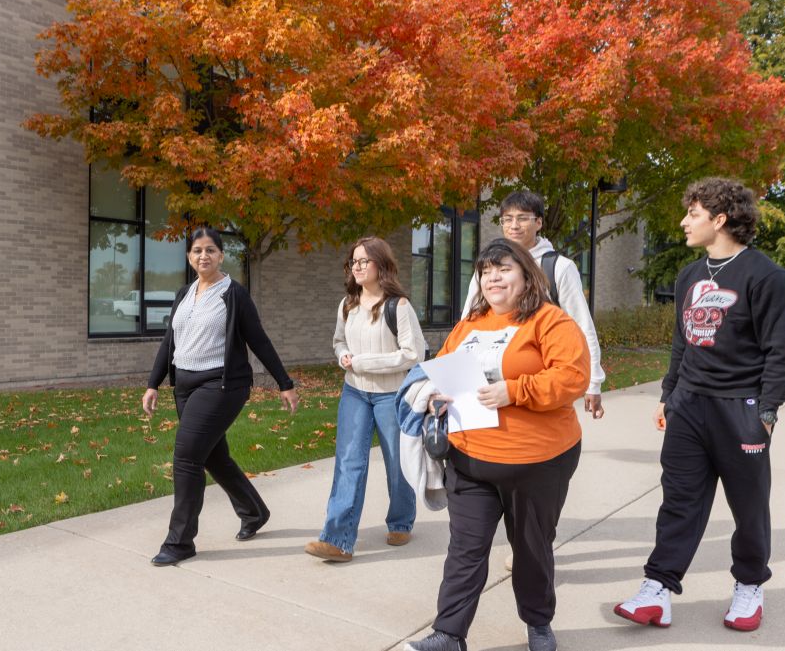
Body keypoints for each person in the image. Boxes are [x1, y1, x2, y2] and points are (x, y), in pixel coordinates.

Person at [613, 178, 785, 632]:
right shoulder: (690, 275)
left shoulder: (766, 275)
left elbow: (781, 352)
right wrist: (668, 395)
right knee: (678, 501)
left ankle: (749, 585)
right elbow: (682, 343)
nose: (683, 221)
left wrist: (766, 414)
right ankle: (658, 589)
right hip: (689, 405)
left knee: (748, 506)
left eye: (692, 213)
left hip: (741, 408)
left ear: (719, 219)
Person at [404, 238, 590, 651]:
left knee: (531, 549)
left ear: (526, 275)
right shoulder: (469, 324)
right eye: (486, 271)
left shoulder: (550, 321)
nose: (493, 277)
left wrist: (514, 390)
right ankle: (449, 633)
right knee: (465, 550)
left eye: (503, 268)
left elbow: (572, 377)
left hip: (537, 461)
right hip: (470, 459)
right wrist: (435, 394)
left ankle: (538, 624)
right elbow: (444, 371)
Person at [462, 190, 607, 574]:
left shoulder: (559, 267)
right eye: (507, 219)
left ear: (538, 222)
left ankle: (534, 540)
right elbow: (468, 320)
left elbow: (579, 322)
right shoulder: (491, 265)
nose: (514, 225)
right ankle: (525, 538)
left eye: (523, 218)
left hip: (546, 372)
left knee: (541, 465)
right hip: (491, 378)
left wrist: (593, 380)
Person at [142, 227, 299, 567]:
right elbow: (170, 341)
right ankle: (254, 512)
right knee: (213, 456)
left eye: (210, 250)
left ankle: (180, 541)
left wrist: (284, 383)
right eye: (197, 250)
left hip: (222, 384)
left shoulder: (234, 294)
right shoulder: (185, 293)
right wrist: (153, 383)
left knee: (186, 456)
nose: (204, 256)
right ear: (189, 256)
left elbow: (259, 340)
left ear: (221, 255)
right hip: (184, 385)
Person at [306, 237, 426, 563]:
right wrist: (344, 354)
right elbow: (338, 341)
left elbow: (414, 354)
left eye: (363, 262)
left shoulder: (398, 306)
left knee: (396, 462)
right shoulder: (348, 304)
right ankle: (338, 539)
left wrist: (363, 362)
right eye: (353, 262)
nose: (357, 267)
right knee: (348, 462)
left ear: (380, 265)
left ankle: (401, 520)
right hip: (354, 392)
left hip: (391, 394)